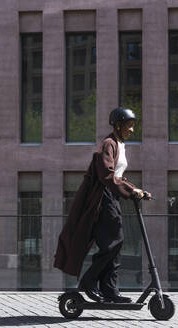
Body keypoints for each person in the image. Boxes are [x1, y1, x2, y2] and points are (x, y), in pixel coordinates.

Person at [54, 107, 150, 303]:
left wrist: (136, 189)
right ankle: (90, 281)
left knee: (113, 243)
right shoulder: (108, 144)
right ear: (118, 124)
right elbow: (106, 176)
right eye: (129, 126)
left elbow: (117, 176)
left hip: (111, 196)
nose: (132, 130)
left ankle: (109, 290)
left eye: (133, 126)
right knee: (115, 241)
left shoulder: (119, 145)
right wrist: (131, 191)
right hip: (102, 198)